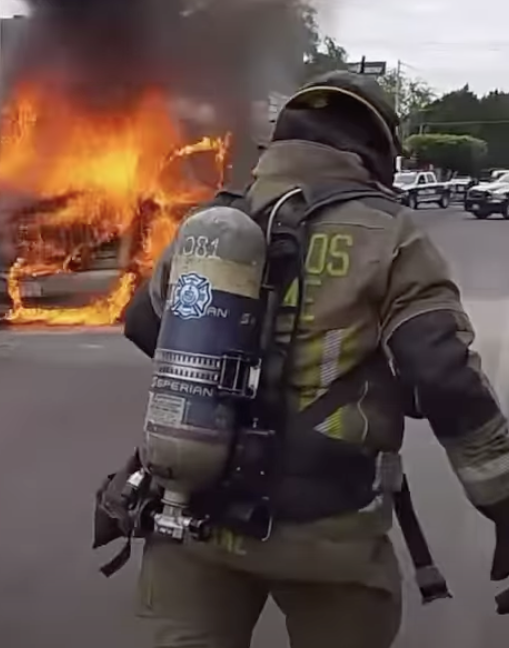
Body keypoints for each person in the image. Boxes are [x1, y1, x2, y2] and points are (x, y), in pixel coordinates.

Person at [115, 71, 509, 648]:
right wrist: (502, 502)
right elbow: (443, 375)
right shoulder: (391, 234)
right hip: (330, 535)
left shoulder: (216, 222)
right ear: (374, 150)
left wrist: (229, 381)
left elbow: (145, 324)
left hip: (195, 520)